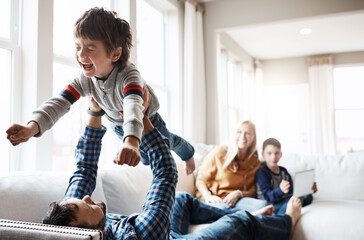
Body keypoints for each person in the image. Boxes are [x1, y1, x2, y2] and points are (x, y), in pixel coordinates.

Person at [43, 101, 302, 240]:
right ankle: (286, 222)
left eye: (81, 199)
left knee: (182, 199)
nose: (88, 198)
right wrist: (141, 116)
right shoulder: (140, 235)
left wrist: (94, 110)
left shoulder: (67, 222)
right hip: (160, 237)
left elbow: (84, 169)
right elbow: (166, 171)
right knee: (240, 222)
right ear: (92, 234)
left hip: (165, 230)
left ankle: (250, 210)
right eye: (87, 207)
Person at [5, 7, 195, 175]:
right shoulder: (84, 79)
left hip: (147, 121)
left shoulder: (129, 76)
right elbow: (59, 103)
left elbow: (133, 107)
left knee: (169, 143)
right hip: (119, 127)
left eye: (90, 48)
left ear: (115, 54)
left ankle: (189, 153)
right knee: (144, 160)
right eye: (78, 47)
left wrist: (131, 142)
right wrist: (32, 127)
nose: (81, 55)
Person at [195, 120, 267, 212]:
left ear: (253, 138)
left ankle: (238, 216)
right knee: (223, 208)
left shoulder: (255, 162)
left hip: (238, 200)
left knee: (263, 205)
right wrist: (207, 195)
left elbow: (253, 191)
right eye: (239, 132)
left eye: (247, 133)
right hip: (216, 199)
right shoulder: (219, 153)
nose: (242, 136)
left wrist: (238, 193)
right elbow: (201, 180)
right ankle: (239, 216)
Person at [256, 137, 318, 215]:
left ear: (281, 154)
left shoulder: (283, 171)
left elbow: (292, 191)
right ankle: (284, 215)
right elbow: (268, 196)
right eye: (269, 153)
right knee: (293, 201)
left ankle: (302, 199)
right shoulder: (262, 172)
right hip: (270, 204)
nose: (273, 157)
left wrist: (308, 189)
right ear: (263, 154)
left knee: (302, 197)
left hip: (284, 200)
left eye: (277, 153)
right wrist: (280, 190)